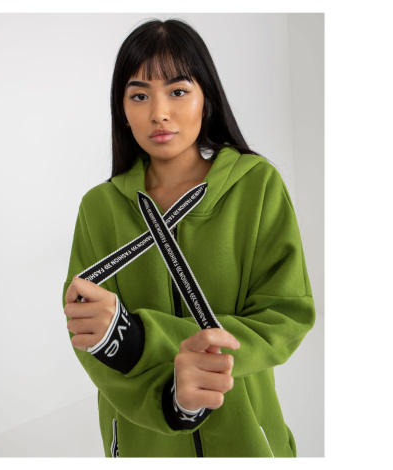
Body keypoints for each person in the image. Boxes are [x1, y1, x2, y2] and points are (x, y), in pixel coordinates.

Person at [62, 18, 316, 458]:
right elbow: (88, 336)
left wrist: (140, 338)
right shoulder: (99, 208)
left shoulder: (256, 186)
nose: (159, 112)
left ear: (206, 98)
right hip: (144, 445)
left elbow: (285, 314)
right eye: (139, 95)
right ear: (122, 108)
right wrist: (171, 399)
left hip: (246, 437)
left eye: (178, 91)